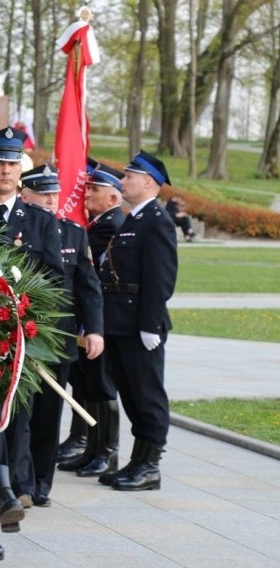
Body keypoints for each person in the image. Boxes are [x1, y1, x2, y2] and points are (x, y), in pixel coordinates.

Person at [0, 126, 63, 561]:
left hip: (21, 345)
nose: (5, 170)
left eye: (12, 163)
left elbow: (55, 283)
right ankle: (2, 499)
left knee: (11, 426)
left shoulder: (41, 222)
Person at [16, 165, 104, 508]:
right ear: (26, 196)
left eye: (55, 193)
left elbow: (88, 288)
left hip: (58, 341)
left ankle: (40, 482)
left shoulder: (74, 234)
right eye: (43, 193)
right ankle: (17, 482)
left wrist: (94, 329)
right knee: (19, 414)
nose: (52, 200)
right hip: (19, 338)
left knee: (47, 417)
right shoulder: (13, 230)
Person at [97, 150, 177, 491]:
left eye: (129, 176)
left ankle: (150, 466)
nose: (123, 181)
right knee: (130, 393)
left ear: (148, 182)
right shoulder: (134, 219)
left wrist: (150, 324)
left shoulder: (157, 221)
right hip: (119, 321)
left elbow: (160, 279)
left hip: (139, 325)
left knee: (147, 396)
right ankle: (137, 461)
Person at [59, 162, 126, 478]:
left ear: (113, 198)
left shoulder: (110, 226)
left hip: (100, 319)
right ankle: (88, 446)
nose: (87, 194)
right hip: (86, 318)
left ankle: (106, 452)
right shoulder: (97, 224)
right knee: (85, 383)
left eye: (95, 190)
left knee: (100, 385)